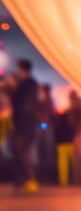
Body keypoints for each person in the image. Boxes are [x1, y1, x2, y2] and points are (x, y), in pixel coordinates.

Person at [11, 59, 40, 191]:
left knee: (20, 151)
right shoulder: (25, 83)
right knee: (18, 150)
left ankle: (30, 178)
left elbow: (24, 104)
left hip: (25, 122)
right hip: (21, 121)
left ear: (23, 69)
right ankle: (21, 179)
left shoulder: (29, 84)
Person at [55, 90, 81, 186]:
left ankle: (69, 181)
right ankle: (73, 181)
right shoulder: (75, 111)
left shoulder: (74, 112)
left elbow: (77, 125)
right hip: (69, 138)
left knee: (71, 161)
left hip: (69, 138)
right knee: (73, 161)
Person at [37, 84, 57, 182]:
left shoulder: (48, 100)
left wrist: (43, 121)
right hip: (46, 125)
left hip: (46, 125)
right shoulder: (46, 100)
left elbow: (46, 113)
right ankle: (47, 167)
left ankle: (49, 168)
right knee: (46, 147)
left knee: (48, 146)